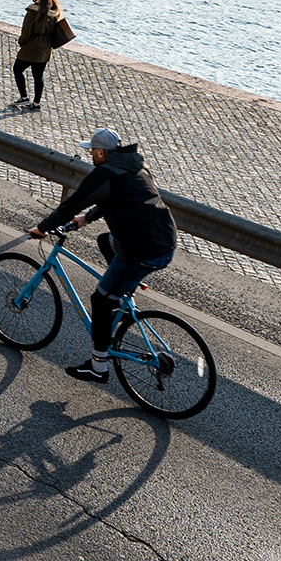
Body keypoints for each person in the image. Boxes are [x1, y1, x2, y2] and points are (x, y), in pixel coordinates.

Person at [27, 129, 178, 386]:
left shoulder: (105, 172)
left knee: (99, 300)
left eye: (92, 151)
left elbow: (71, 204)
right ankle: (122, 292)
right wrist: (87, 218)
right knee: (104, 240)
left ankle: (98, 367)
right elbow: (114, 198)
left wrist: (41, 228)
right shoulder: (136, 166)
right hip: (164, 243)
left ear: (101, 152)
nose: (91, 155)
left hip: (141, 253)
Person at [12, 0, 64, 111]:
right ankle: (36, 103)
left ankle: (24, 97)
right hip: (45, 49)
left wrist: (21, 42)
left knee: (17, 69)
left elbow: (26, 32)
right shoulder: (54, 13)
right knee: (38, 76)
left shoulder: (32, 12)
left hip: (31, 47)